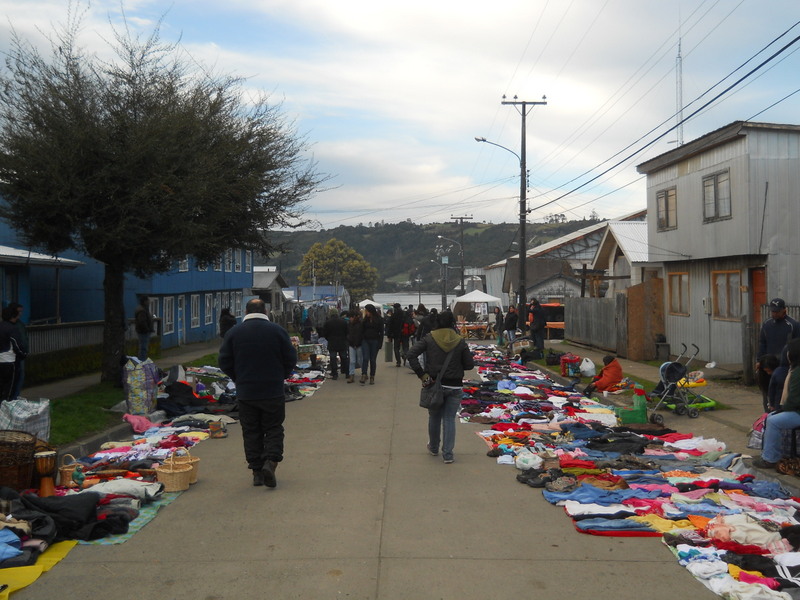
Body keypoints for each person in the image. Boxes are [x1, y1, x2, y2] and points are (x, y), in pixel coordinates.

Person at [218, 298, 297, 488]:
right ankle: (271, 462)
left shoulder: (234, 332)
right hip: (272, 390)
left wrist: (238, 377)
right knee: (274, 428)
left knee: (251, 431)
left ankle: (256, 472)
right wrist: (281, 375)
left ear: (246, 311)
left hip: (247, 392)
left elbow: (224, 361)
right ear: (266, 311)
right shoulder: (278, 331)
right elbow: (290, 358)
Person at [407, 310, 475, 464]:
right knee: (449, 419)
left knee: (434, 417)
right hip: (455, 385)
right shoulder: (460, 340)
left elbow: (411, 354)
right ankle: (448, 454)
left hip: (434, 384)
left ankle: (433, 447)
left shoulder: (430, 338)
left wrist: (422, 375)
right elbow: (469, 365)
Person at [753, 338, 800, 469]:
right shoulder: (793, 370)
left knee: (773, 421)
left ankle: (770, 459)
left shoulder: (797, 372)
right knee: (772, 417)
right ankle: (772, 454)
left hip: (797, 411)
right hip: (796, 409)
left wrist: (784, 409)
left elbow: (794, 399)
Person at [757, 298, 800, 411]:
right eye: (772, 311)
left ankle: (780, 410)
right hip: (767, 364)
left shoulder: (793, 325)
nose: (774, 313)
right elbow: (762, 343)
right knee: (767, 390)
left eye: (777, 311)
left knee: (781, 390)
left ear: (784, 310)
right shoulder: (767, 324)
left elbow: (796, 347)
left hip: (784, 365)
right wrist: (759, 360)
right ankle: (767, 411)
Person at [0, 306, 26, 403]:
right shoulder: (12, 329)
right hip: (9, 361)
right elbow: (17, 346)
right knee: (9, 390)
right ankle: (5, 412)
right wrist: (23, 354)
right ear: (13, 316)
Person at [359, 304, 383, 385]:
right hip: (365, 340)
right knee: (365, 358)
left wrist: (380, 343)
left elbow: (381, 332)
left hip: (375, 341)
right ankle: (364, 374)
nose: (366, 312)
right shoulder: (365, 320)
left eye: (367, 311)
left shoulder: (379, 319)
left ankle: (372, 376)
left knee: (373, 360)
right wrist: (361, 338)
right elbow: (361, 330)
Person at [321, 307, 348, 380]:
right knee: (344, 357)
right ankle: (346, 372)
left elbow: (325, 333)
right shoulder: (343, 321)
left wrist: (329, 339)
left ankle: (335, 374)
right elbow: (347, 332)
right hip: (342, 342)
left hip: (332, 342)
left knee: (333, 358)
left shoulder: (327, 322)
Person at [8, 303, 27, 399]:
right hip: (12, 355)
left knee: (20, 377)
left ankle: (15, 397)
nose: (20, 314)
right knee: (14, 378)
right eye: (19, 311)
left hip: (19, 354)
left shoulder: (20, 324)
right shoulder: (12, 325)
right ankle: (12, 398)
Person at [134, 295, 154, 361]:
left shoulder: (144, 309)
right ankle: (141, 361)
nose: (149, 302)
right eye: (148, 301)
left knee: (144, 348)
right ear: (145, 301)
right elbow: (142, 322)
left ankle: (142, 360)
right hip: (143, 332)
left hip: (143, 331)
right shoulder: (142, 310)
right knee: (143, 348)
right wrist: (147, 329)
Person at [346, 308, 363, 384]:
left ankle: (364, 373)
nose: (350, 319)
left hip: (359, 344)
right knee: (352, 361)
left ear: (354, 317)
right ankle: (351, 375)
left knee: (360, 360)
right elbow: (348, 334)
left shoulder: (360, 324)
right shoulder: (349, 324)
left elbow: (360, 335)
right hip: (351, 344)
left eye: (351, 317)